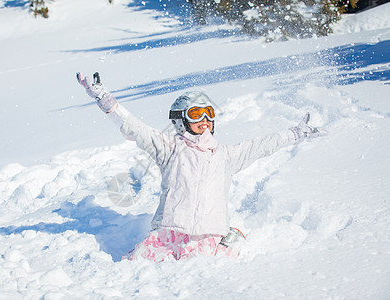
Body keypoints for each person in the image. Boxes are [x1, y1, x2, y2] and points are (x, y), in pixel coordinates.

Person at [76, 72, 323, 262]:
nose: (204, 120)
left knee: (206, 272)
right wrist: (106, 101)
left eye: (208, 113)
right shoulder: (170, 149)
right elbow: (136, 129)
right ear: (182, 119)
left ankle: (229, 239)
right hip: (167, 235)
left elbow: (261, 146)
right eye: (196, 114)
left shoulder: (225, 156)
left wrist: (295, 133)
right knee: (134, 269)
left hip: (208, 236)